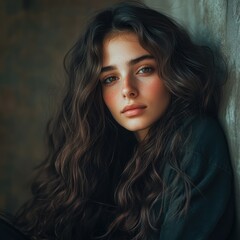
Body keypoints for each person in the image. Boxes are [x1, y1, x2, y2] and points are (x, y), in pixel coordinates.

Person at [11, 1, 234, 239]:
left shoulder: (195, 141)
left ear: (173, 71)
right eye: (110, 78)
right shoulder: (111, 151)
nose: (127, 90)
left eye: (144, 69)